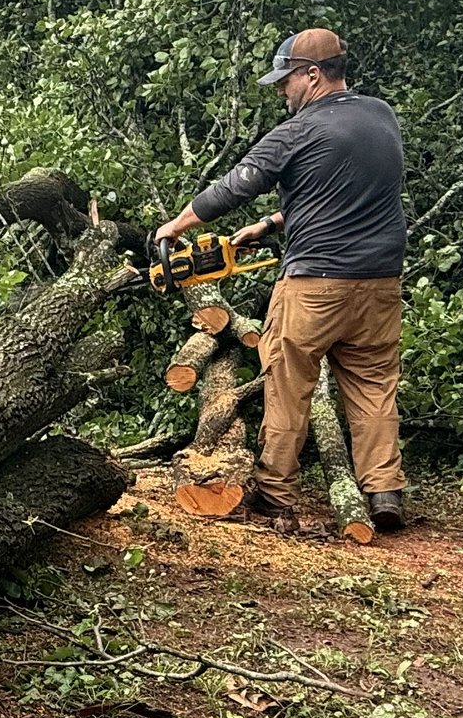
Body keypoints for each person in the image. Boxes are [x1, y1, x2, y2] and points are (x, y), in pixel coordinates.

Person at [154, 27, 409, 531]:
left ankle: (275, 493)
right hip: (381, 281)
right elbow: (346, 190)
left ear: (312, 75)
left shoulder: (297, 132)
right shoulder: (381, 117)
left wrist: (175, 226)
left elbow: (235, 187)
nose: (280, 91)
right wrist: (272, 223)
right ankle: (384, 491)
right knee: (374, 385)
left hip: (315, 283)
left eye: (285, 80)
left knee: (288, 381)